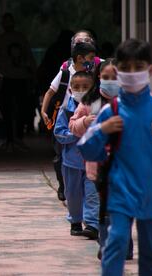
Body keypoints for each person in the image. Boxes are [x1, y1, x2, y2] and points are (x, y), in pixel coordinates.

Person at [77, 39, 152, 276]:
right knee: (116, 242)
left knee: (151, 252)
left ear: (150, 70)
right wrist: (103, 129)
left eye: (138, 67)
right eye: (126, 68)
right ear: (118, 70)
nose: (132, 74)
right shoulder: (112, 111)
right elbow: (86, 147)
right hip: (120, 190)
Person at [68, 58, 134, 259]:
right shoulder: (90, 102)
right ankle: (106, 244)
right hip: (98, 167)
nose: (111, 81)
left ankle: (125, 245)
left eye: (115, 77)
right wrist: (84, 121)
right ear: (98, 78)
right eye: (106, 77)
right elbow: (73, 125)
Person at [54, 71, 99, 239]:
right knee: (72, 194)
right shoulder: (65, 110)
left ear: (93, 88)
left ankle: (92, 224)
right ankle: (75, 221)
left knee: (92, 193)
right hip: (71, 161)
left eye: (85, 87)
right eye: (77, 87)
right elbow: (59, 133)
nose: (81, 90)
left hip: (92, 160)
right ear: (71, 89)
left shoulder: (98, 108)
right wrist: (77, 132)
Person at [0, 13, 37, 151]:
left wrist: (33, 74)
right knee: (5, 109)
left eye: (10, 21)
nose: (8, 24)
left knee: (22, 109)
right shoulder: (0, 40)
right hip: (5, 79)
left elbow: (29, 57)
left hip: (21, 78)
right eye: (5, 21)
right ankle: (8, 138)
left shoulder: (20, 38)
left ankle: (18, 137)